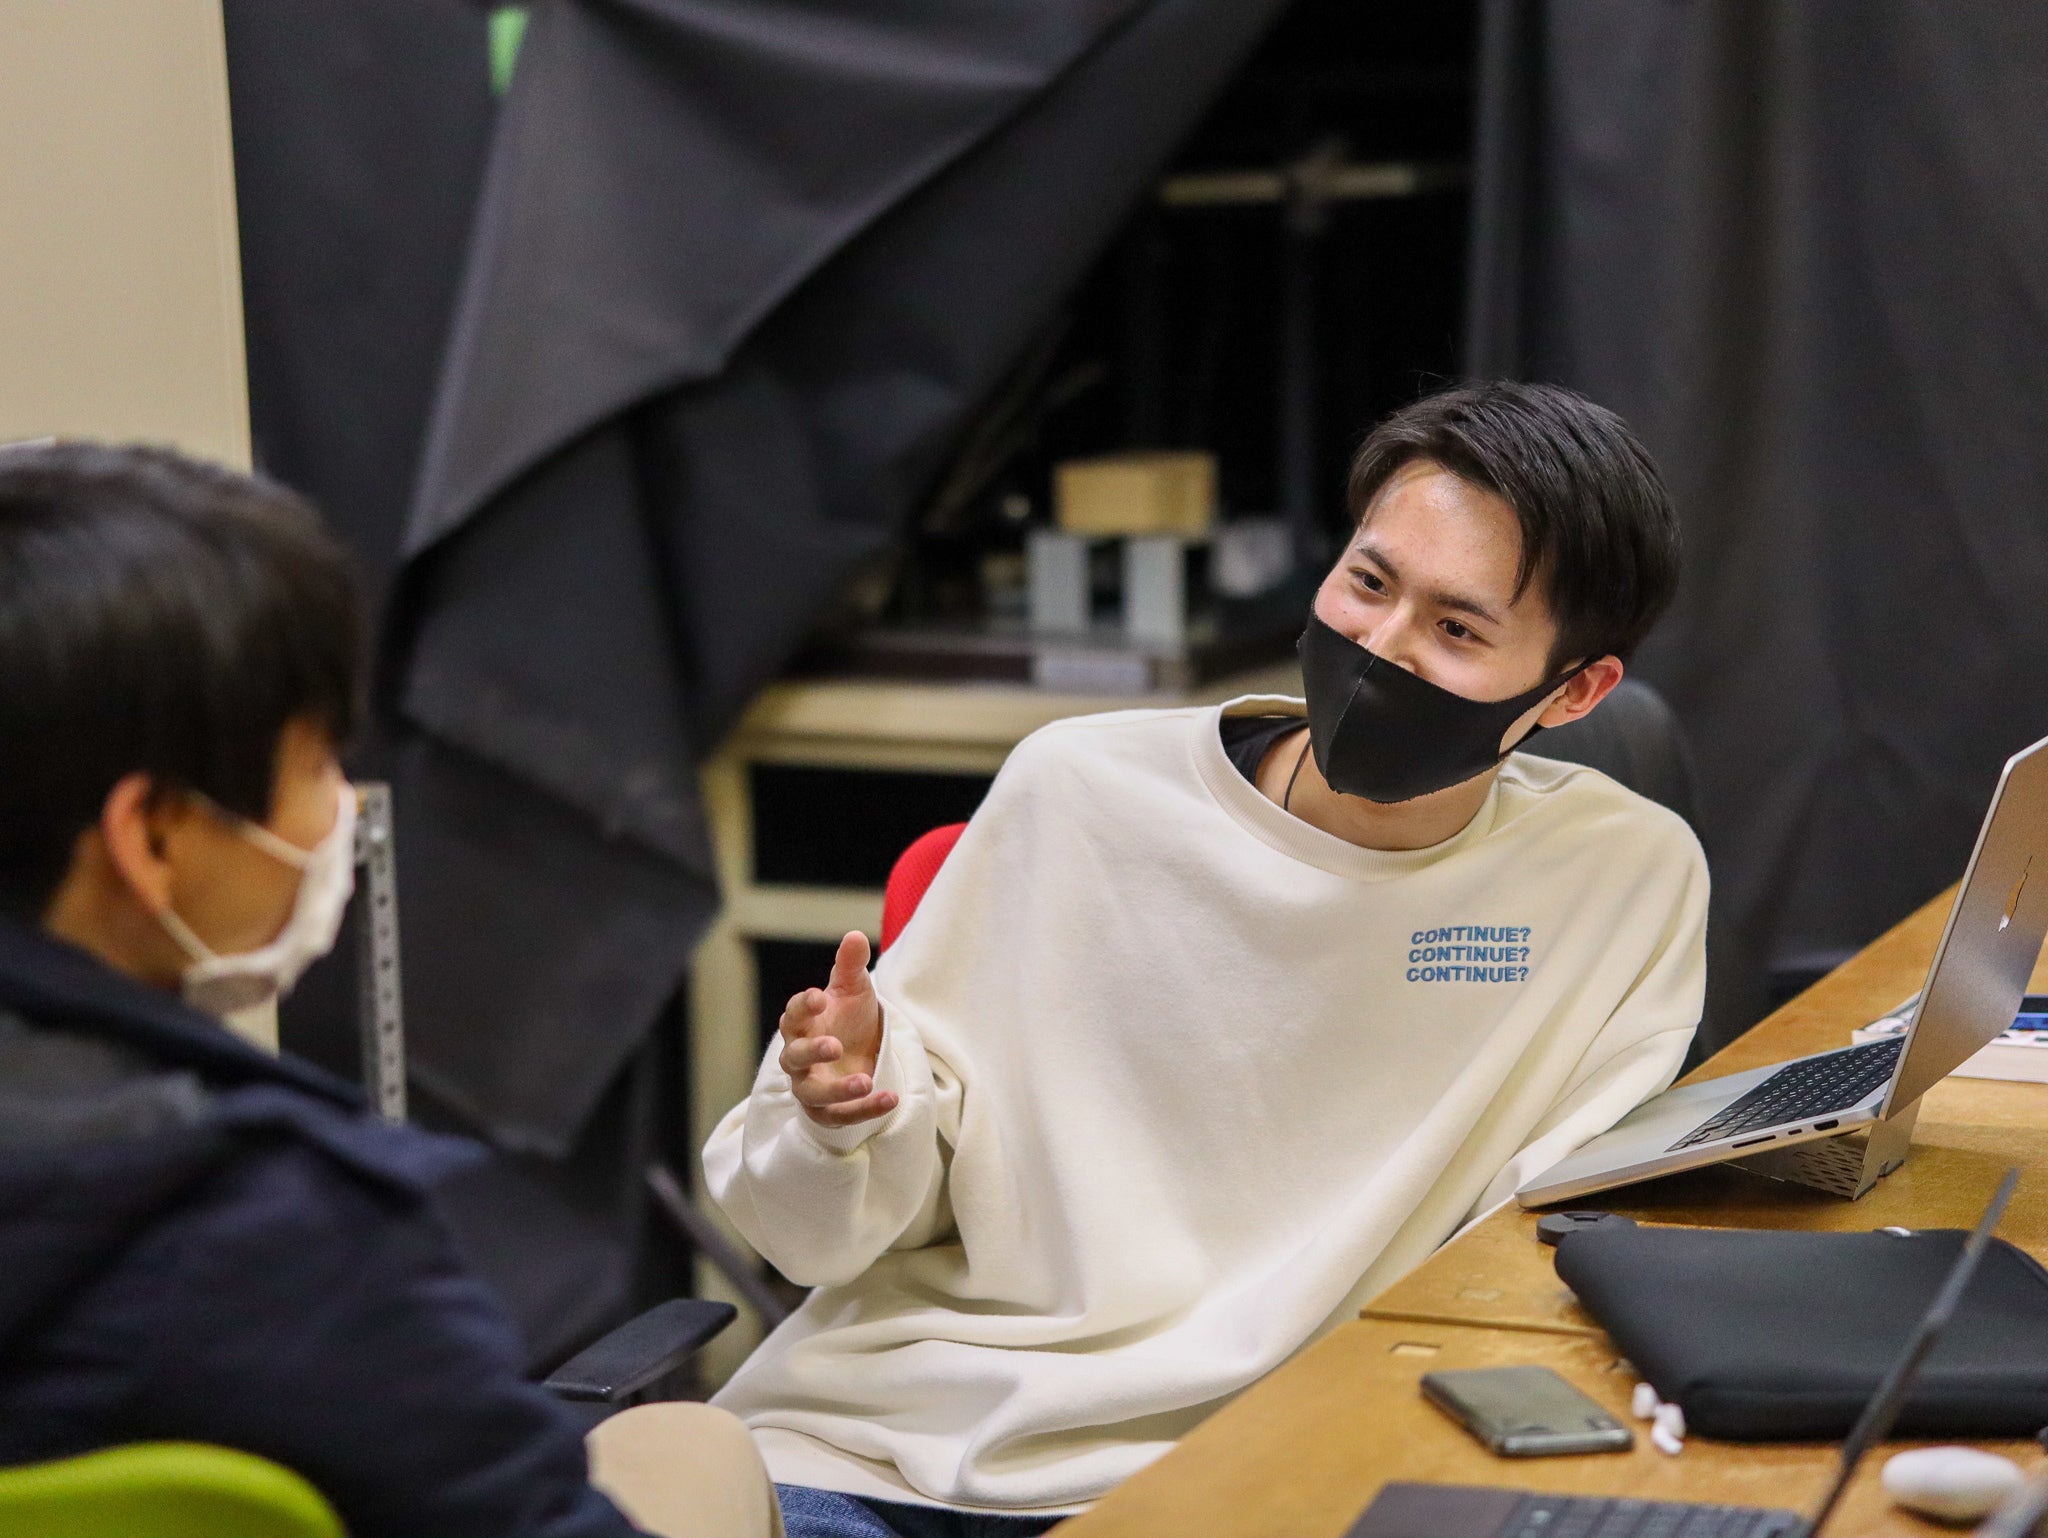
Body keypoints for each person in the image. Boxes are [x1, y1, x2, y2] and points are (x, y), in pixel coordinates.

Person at [704, 382, 1708, 1537]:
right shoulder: (1080, 790)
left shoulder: (1617, 874)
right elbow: (819, 1238)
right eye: (1367, 582)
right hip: (890, 1447)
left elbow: (1544, 1234)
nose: (1379, 644)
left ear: (1574, 691)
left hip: (1257, 1471)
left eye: (1456, 629)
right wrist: (840, 1119)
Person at [0, 443, 780, 1538]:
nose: (338, 813)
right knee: (698, 1445)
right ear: (155, 836)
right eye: (315, 763)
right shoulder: (281, 1234)